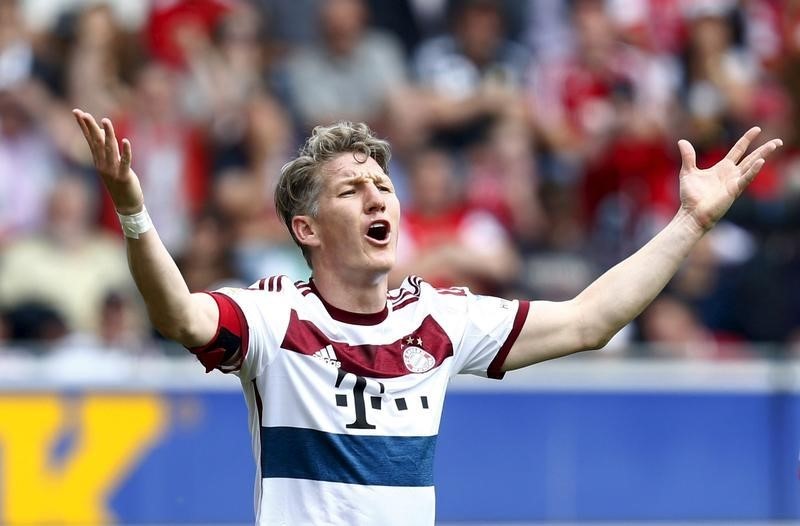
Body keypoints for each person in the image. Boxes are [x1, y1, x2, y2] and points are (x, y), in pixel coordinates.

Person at [72, 108, 781, 525]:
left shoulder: (439, 320)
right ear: (308, 229)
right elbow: (178, 316)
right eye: (352, 190)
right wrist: (133, 210)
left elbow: (590, 321)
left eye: (384, 184)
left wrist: (689, 221)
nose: (378, 198)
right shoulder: (271, 317)